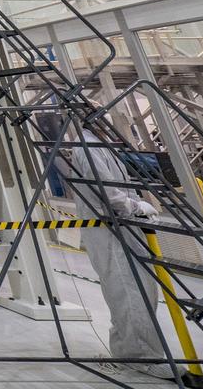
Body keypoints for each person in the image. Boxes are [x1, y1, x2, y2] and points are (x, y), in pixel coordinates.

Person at [68, 128, 178, 382]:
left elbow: (118, 186)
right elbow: (106, 192)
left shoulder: (101, 145)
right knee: (130, 292)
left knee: (137, 290)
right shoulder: (89, 147)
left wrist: (134, 203)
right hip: (109, 231)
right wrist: (135, 205)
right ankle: (141, 357)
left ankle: (127, 349)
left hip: (122, 227)